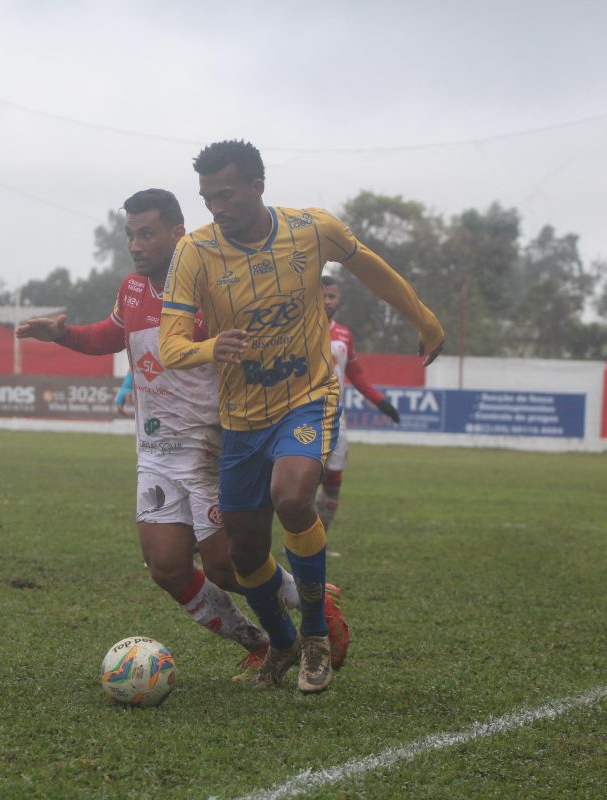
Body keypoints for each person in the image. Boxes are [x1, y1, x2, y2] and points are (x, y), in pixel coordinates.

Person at [160, 139, 444, 693]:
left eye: (227, 194)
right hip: (241, 417)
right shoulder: (194, 252)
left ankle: (315, 635)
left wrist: (424, 317)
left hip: (306, 396)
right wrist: (208, 346)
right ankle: (283, 644)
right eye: (207, 197)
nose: (217, 207)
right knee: (245, 555)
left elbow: (374, 269)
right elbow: (172, 345)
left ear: (258, 186)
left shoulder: (313, 229)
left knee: (293, 498)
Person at [16, 189, 308, 682]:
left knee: (224, 567)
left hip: (210, 449)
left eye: (146, 233)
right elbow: (111, 335)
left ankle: (315, 602)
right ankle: (263, 643)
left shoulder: (211, 288)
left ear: (178, 234)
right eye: (130, 234)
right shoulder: (132, 290)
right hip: (155, 454)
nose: (136, 244)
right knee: (167, 568)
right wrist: (62, 334)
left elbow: (255, 350)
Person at [315, 274, 403, 534]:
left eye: (332, 296)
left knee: (334, 480)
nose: (328, 301)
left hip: (335, 416)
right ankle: (301, 543)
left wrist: (381, 402)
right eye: (322, 296)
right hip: (304, 414)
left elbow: (356, 375)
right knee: (303, 482)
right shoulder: (299, 329)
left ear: (339, 299)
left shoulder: (344, 335)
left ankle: (321, 540)